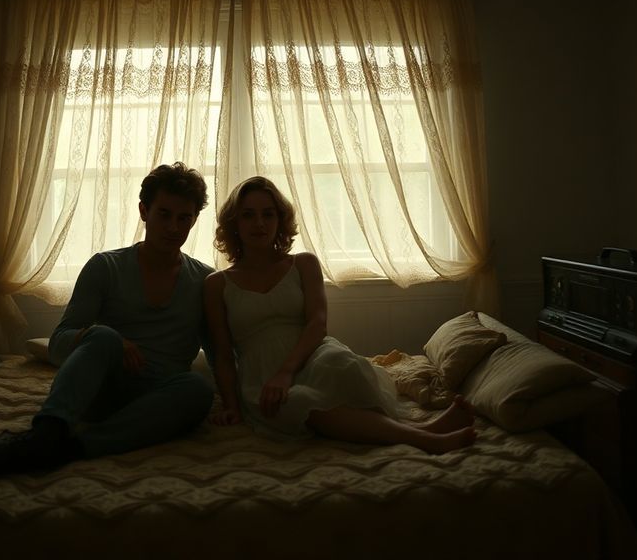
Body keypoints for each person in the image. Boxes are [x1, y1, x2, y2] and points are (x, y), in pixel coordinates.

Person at [0, 162, 215, 479]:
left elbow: (219, 354)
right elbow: (58, 344)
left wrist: (241, 401)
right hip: (98, 391)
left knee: (198, 388)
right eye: (164, 214)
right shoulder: (105, 267)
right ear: (143, 211)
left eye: (184, 218)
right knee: (104, 335)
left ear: (194, 221)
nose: (174, 227)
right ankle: (47, 433)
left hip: (157, 400)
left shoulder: (205, 281)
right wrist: (99, 337)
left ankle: (62, 449)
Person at [204, 176, 477, 454]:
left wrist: (287, 371)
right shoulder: (217, 284)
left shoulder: (303, 264)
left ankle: (423, 429)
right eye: (248, 215)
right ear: (234, 224)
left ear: (280, 220)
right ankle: (426, 437)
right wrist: (231, 406)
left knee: (344, 364)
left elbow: (317, 323)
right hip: (262, 374)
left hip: (310, 353)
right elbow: (223, 354)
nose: (259, 223)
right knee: (300, 401)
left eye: (268, 214)